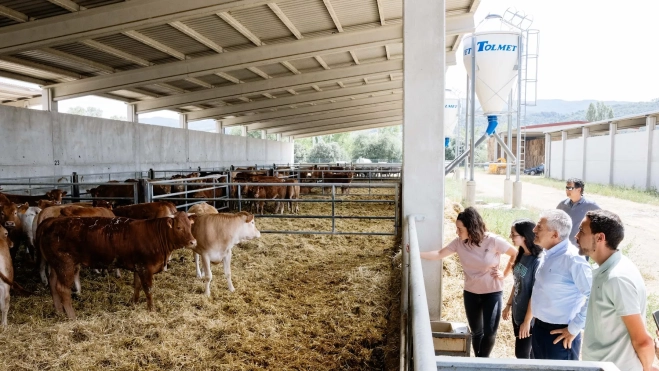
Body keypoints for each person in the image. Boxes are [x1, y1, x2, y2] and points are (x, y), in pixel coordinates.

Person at [420, 207, 517, 357]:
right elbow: (439, 254)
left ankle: (481, 362)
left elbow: (515, 254)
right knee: (477, 332)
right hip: (471, 293)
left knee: (490, 332)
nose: (457, 232)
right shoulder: (459, 243)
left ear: (471, 227)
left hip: (492, 292)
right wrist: (415, 253)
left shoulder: (493, 240)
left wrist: (504, 274)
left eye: (460, 229)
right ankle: (479, 361)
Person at [577, 210, 659, 371]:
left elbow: (643, 341)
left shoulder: (617, 278)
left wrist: (647, 368)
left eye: (582, 231)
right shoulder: (606, 269)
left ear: (600, 238)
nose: (576, 236)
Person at [530, 209, 592, 360]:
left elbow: (593, 296)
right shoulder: (547, 253)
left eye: (539, 227)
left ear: (555, 235)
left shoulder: (573, 260)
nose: (534, 230)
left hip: (560, 336)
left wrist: (574, 328)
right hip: (539, 330)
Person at [502, 219, 542, 359]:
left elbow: (535, 294)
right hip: (517, 313)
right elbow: (516, 282)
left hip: (528, 318)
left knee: (522, 355)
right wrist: (508, 305)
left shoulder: (537, 261)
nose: (510, 237)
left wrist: (527, 321)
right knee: (526, 354)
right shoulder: (521, 254)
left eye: (513, 234)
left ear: (524, 236)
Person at [556, 178, 600, 248]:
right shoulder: (562, 205)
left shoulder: (591, 206)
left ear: (579, 190)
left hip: (581, 248)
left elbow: (601, 224)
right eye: (566, 188)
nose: (567, 190)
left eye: (570, 188)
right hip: (563, 247)